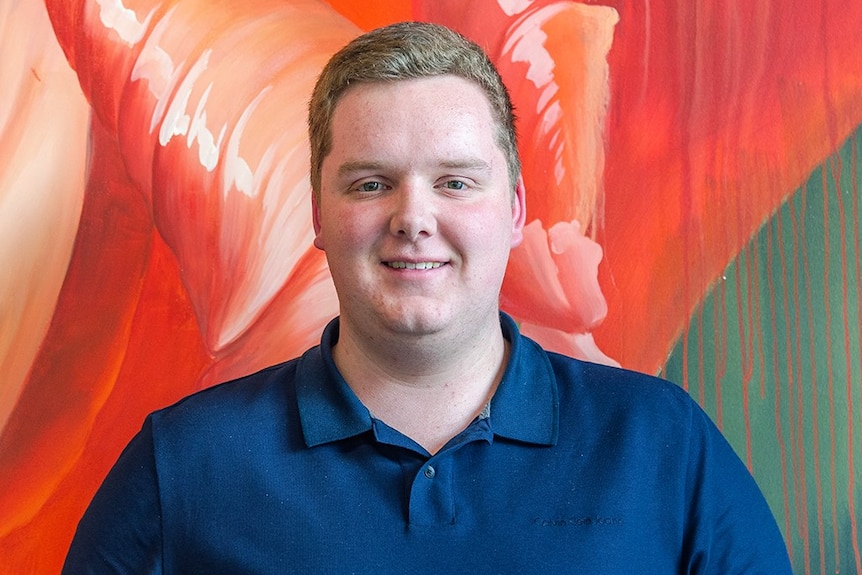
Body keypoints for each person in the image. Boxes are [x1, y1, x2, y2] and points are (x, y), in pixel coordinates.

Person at [63, 21, 792, 574]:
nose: (414, 219)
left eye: (454, 182)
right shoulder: (184, 462)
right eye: (371, 182)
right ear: (317, 215)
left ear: (512, 211)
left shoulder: (663, 444)